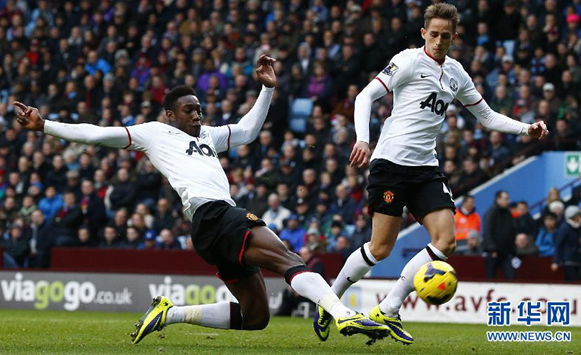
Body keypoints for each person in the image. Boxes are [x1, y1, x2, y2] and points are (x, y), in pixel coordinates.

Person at [14, 55, 389, 345]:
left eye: (199, 108)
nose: (198, 114)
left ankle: (170, 313)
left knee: (255, 318)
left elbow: (246, 132)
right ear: (170, 114)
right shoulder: (154, 133)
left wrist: (267, 89)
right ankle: (343, 315)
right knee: (289, 259)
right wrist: (45, 125)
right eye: (190, 110)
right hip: (216, 216)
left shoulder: (207, 136)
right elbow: (97, 135)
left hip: (209, 230)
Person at [313, 3, 548, 345]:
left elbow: (487, 116)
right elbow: (365, 96)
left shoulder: (455, 72)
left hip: (425, 168)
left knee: (446, 241)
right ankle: (329, 302)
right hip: (390, 164)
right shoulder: (407, 60)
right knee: (380, 248)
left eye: (445, 35)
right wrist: (363, 138)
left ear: (455, 36)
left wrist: (527, 129)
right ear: (424, 33)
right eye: (433, 34)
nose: (439, 41)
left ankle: (389, 308)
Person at [483, 191, 517, 279]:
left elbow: (511, 231)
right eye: (505, 199)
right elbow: (487, 231)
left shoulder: (508, 213)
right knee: (491, 277)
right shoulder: (491, 213)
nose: (507, 201)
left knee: (511, 277)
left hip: (506, 252)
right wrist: (492, 249)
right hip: (494, 252)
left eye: (507, 199)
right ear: (498, 199)